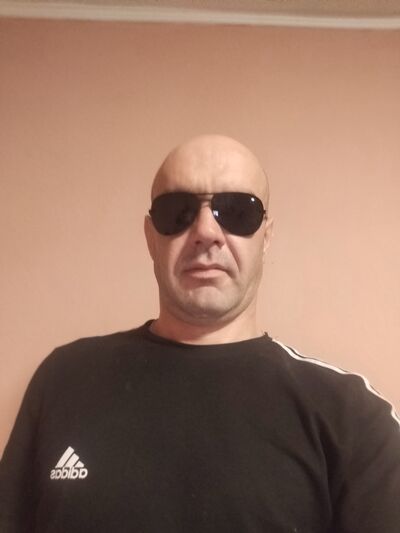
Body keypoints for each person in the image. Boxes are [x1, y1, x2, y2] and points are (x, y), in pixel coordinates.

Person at [0, 134, 399, 532]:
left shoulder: (352, 417)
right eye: (178, 212)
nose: (206, 231)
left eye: (237, 211)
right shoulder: (64, 379)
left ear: (266, 236)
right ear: (150, 237)